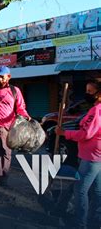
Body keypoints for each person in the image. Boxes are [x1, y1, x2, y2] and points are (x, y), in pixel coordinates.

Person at [55, 80, 101, 229]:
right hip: (97, 156)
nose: (86, 94)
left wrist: (64, 133)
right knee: (97, 191)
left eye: (90, 91)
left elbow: (86, 134)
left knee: (80, 190)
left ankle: (80, 223)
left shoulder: (96, 111)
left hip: (91, 157)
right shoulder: (95, 109)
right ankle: (94, 219)